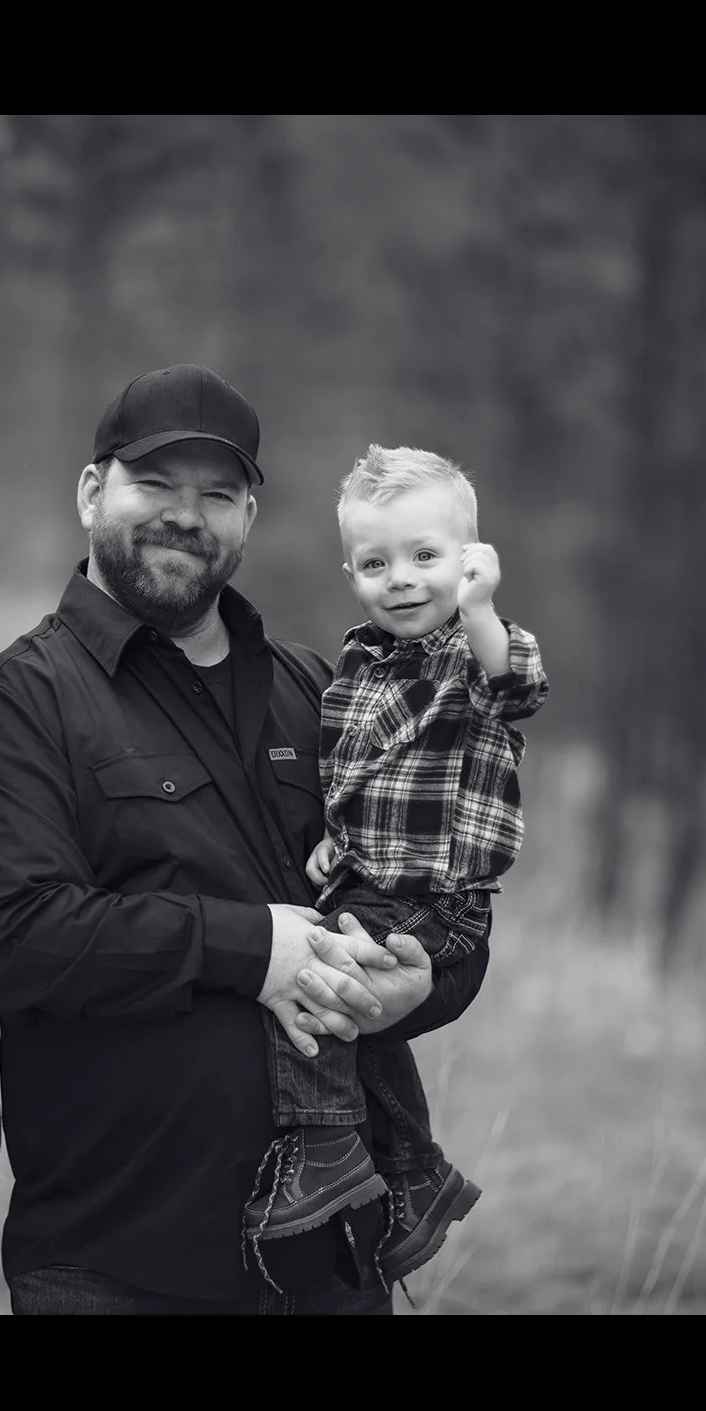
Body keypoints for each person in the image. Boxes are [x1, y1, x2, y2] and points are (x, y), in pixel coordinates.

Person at [0, 364, 488, 1315]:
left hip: (334, 1262)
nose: (186, 517)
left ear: (249, 519)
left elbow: (440, 893)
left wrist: (414, 985)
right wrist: (254, 947)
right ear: (91, 492)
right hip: (120, 1263)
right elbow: (8, 940)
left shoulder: (322, 691)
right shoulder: (17, 708)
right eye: (156, 486)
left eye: (218, 496)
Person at [252, 443, 548, 1280]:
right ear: (352, 573)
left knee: (315, 979)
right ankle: (415, 1178)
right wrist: (334, 842)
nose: (404, 578)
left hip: (439, 897)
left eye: (427, 557)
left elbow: (515, 685)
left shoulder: (469, 653)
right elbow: (358, 775)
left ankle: (324, 1152)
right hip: (372, 878)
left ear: (470, 561)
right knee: (366, 1024)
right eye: (377, 562)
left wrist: (484, 610)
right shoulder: (356, 669)